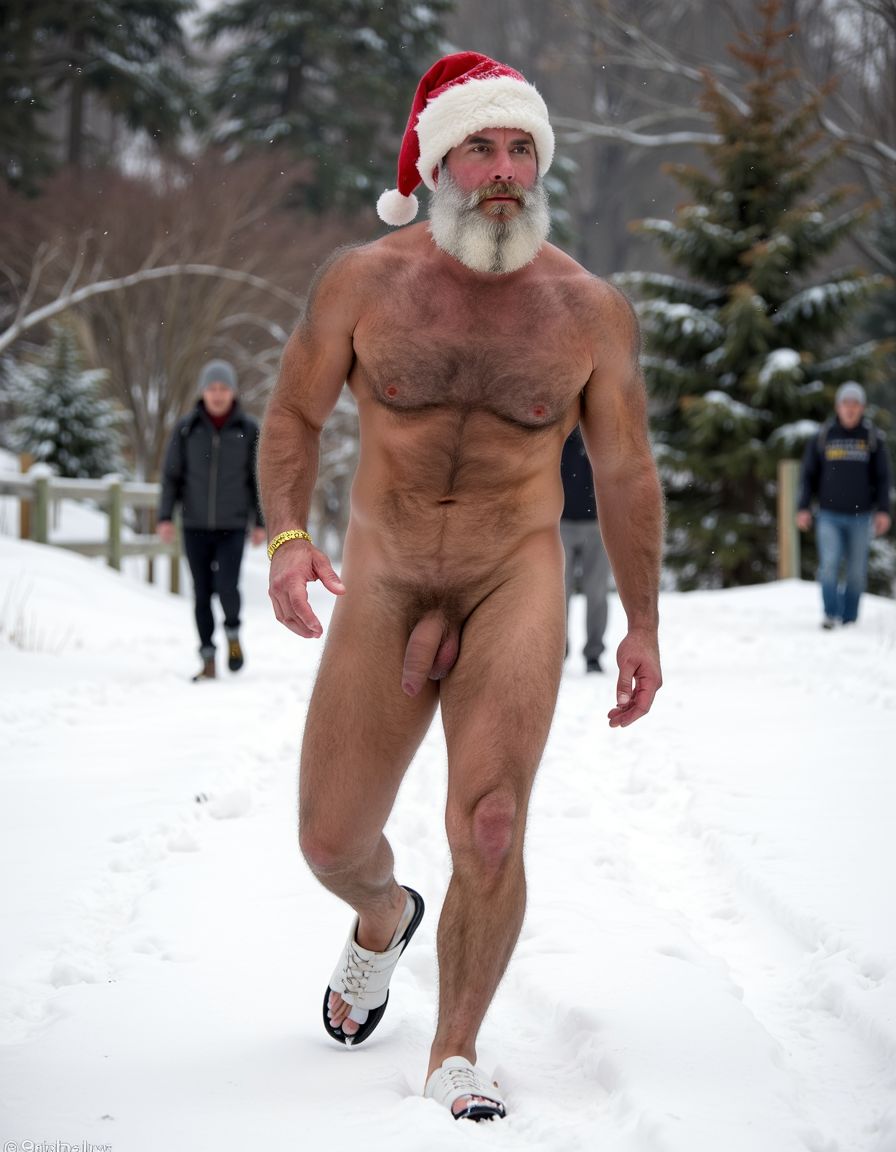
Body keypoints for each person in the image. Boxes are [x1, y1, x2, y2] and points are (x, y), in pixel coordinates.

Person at [259, 52, 663, 1121]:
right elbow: (295, 413)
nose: (501, 169)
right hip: (383, 578)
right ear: (438, 161)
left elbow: (624, 470)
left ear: (540, 167)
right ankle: (383, 918)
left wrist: (640, 624)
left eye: (520, 147)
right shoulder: (362, 283)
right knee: (327, 840)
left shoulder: (587, 310)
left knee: (489, 820)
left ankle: (456, 1051)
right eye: (479, 146)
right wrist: (290, 536)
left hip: (510, 577)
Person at [158, 359, 266, 680]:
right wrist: (165, 516)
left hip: (232, 526)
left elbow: (257, 479)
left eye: (223, 388)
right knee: (201, 592)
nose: (217, 395)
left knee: (227, 587)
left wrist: (260, 522)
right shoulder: (187, 429)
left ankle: (232, 632)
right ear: (203, 392)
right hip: (194, 526)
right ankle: (207, 657)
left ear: (233, 392)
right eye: (212, 388)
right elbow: (171, 477)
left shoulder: (248, 431)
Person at [796, 381, 891, 629]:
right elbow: (808, 475)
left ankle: (849, 619)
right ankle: (830, 614)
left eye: (855, 404)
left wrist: (883, 510)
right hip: (828, 515)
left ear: (862, 407)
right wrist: (803, 507)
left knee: (856, 574)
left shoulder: (872, 438)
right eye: (845, 403)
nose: (850, 409)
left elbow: (883, 478)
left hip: (861, 518)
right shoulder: (823, 436)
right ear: (838, 406)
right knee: (829, 566)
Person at [561, 425, 610, 672]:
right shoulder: (558, 425)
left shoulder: (604, 424)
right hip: (560, 522)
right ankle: (559, 652)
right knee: (559, 593)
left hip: (598, 524)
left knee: (597, 592)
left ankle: (593, 654)